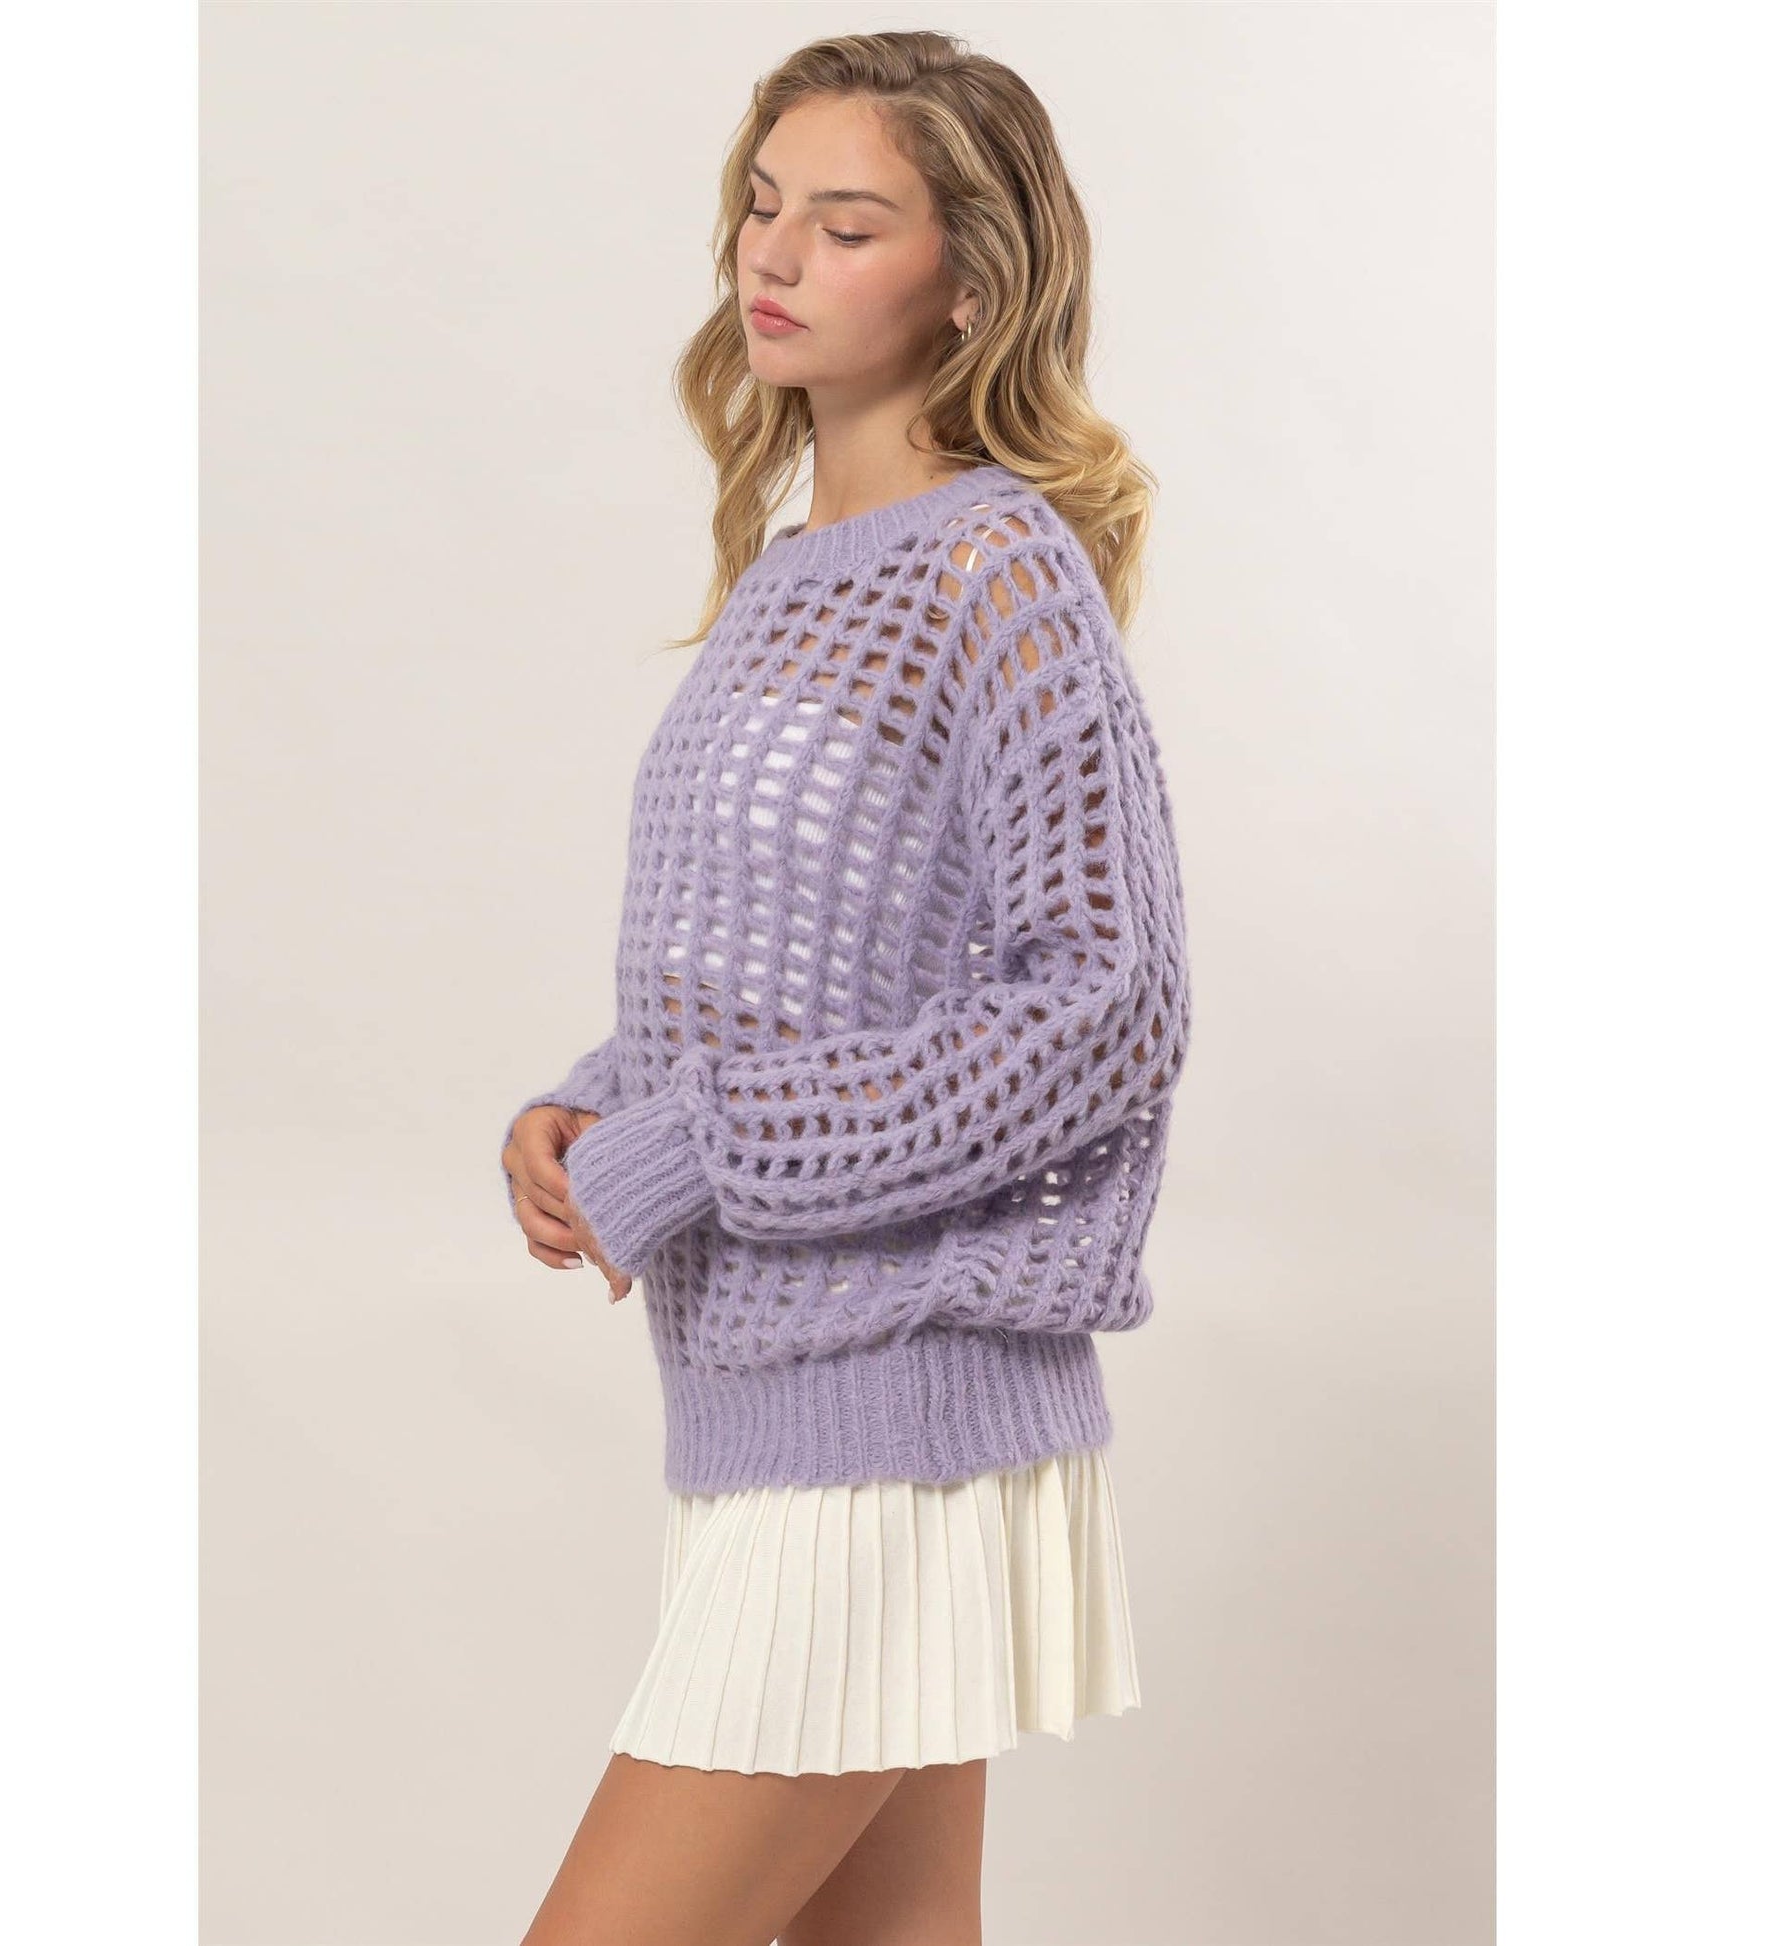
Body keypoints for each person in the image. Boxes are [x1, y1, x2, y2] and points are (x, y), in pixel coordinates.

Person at [498, 30, 1193, 1946]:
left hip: (886, 1399)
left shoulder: (994, 569)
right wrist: (589, 1100)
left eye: (848, 220)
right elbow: (781, 973)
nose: (773, 252)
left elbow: (1103, 1001)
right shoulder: (795, 568)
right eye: (761, 204)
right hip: (777, 1398)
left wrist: (702, 1143)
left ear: (969, 282)